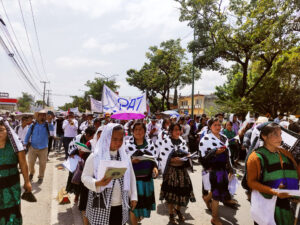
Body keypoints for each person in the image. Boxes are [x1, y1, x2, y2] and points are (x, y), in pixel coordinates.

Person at [81, 124, 137, 225]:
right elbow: (84, 177)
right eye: (115, 139)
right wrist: (97, 183)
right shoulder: (95, 156)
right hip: (100, 204)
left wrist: (133, 196)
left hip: (120, 204)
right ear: (106, 138)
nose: (118, 143)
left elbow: (131, 177)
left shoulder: (124, 156)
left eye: (121, 139)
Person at [247, 123, 300, 225]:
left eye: (280, 134)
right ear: (264, 136)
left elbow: (295, 175)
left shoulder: (286, 154)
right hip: (265, 206)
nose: (280, 138)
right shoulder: (255, 157)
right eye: (275, 134)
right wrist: (275, 192)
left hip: (284, 205)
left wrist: (295, 194)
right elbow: (251, 182)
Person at [199, 118, 236, 225]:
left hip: (223, 169)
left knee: (218, 189)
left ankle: (206, 198)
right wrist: (215, 152)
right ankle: (214, 218)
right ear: (210, 127)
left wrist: (230, 169)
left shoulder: (224, 138)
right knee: (216, 194)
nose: (218, 127)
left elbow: (228, 155)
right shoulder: (205, 139)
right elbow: (202, 157)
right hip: (212, 170)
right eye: (215, 125)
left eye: (219, 125)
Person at [159, 123, 196, 225]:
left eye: (178, 129)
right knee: (171, 194)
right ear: (170, 131)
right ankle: (171, 214)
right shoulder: (166, 141)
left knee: (182, 193)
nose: (177, 131)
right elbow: (163, 156)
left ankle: (178, 210)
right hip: (171, 172)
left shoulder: (182, 141)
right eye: (175, 129)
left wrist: (187, 156)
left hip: (182, 172)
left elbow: (186, 153)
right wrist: (172, 159)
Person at [125, 122, 158, 225]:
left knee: (143, 205)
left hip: (146, 181)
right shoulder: (127, 145)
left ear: (145, 131)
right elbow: (122, 161)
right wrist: (131, 161)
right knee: (133, 206)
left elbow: (155, 159)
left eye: (141, 129)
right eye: (136, 129)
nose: (139, 132)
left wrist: (155, 168)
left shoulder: (150, 144)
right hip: (133, 181)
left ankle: (138, 218)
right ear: (133, 132)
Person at [0, 118, 32, 225]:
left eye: (1, 130)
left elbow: (23, 164)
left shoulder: (15, 145)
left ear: (7, 131)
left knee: (12, 207)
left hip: (11, 182)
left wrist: (27, 182)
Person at [24, 109, 54, 184]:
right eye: (41, 115)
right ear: (38, 116)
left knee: (42, 164)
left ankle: (41, 177)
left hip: (43, 148)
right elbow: (28, 135)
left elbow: (52, 134)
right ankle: (31, 173)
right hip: (33, 148)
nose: (43, 116)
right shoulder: (33, 125)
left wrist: (50, 122)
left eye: (44, 115)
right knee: (30, 163)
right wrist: (25, 143)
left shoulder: (48, 125)